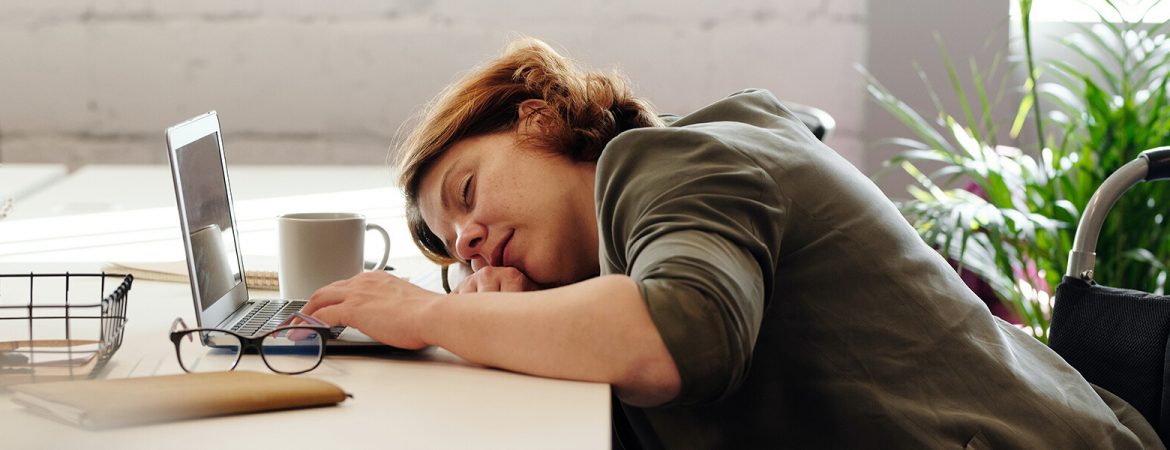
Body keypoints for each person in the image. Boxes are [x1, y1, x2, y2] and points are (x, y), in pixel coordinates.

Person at [301, 37, 1161, 448]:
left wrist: (427, 315)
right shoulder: (667, 186)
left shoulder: (663, 163)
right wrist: (516, 321)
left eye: (467, 193)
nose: (473, 241)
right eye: (456, 247)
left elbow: (682, 335)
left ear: (536, 118)